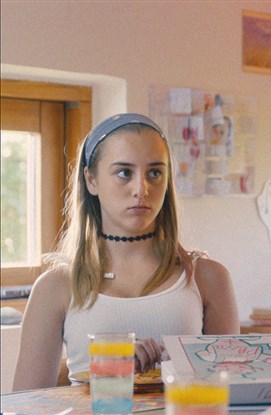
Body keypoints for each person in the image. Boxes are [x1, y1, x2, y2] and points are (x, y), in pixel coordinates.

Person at [13, 113, 240, 391]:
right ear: (91, 179)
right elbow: (25, 405)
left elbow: (234, 395)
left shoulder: (208, 278)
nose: (141, 189)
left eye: (155, 173)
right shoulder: (55, 287)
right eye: (124, 173)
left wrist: (180, 365)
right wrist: (111, 368)